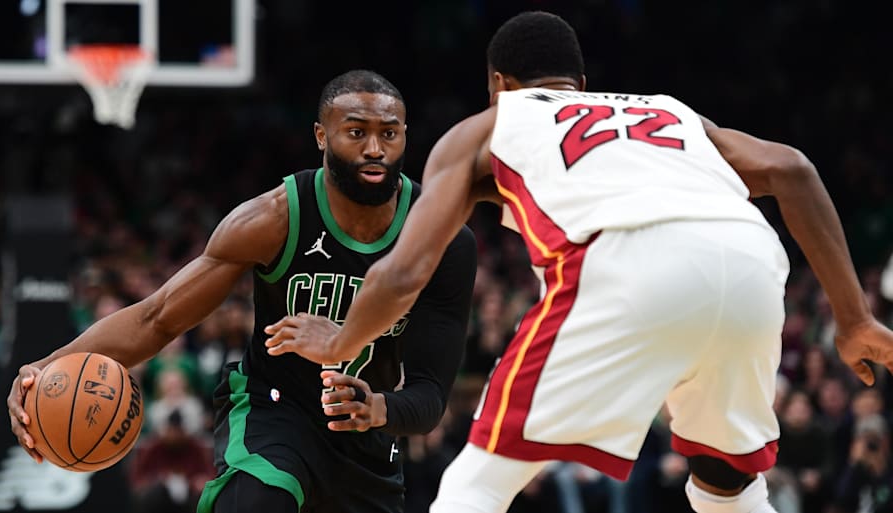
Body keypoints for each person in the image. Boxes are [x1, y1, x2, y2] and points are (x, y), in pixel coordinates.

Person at [264, 12, 893, 513]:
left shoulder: (489, 125)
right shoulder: (667, 109)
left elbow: (404, 273)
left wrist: (342, 339)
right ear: (583, 87)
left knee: (474, 487)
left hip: (626, 263)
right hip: (753, 260)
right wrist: (854, 319)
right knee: (727, 483)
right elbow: (793, 169)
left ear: (497, 86)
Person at [6, 69, 477, 513]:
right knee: (258, 498)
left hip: (368, 437)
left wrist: (376, 407)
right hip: (275, 409)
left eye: (388, 134)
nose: (374, 148)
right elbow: (159, 318)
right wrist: (44, 368)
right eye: (356, 132)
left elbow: (430, 396)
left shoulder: (445, 242)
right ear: (321, 136)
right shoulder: (274, 219)